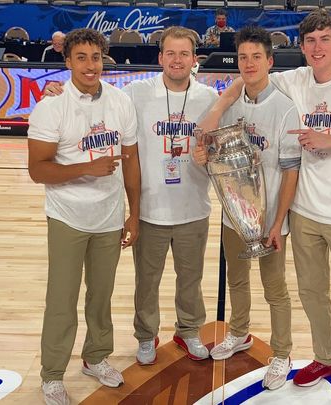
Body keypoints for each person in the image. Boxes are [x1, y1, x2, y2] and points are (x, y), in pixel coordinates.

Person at [199, 9, 331, 405]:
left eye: (325, 40)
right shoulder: (294, 80)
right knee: (312, 293)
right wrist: (216, 110)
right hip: (303, 211)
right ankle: (326, 358)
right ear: (301, 47)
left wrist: (330, 139)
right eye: (310, 41)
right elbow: (246, 77)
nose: (317, 48)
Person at [43, 26, 219, 365]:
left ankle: (189, 330)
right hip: (151, 209)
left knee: (191, 279)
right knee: (147, 281)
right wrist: (57, 91)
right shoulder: (135, 93)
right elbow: (94, 98)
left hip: (194, 207)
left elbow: (219, 144)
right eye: (171, 53)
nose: (177, 60)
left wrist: (210, 153)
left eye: (184, 54)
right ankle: (146, 335)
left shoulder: (209, 98)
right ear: (160, 58)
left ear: (194, 59)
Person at [28, 28, 141, 405]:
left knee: (101, 295)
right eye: (81, 58)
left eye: (96, 57)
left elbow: (131, 161)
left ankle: (95, 357)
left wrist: (134, 213)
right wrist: (85, 169)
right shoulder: (51, 107)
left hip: (109, 216)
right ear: (68, 62)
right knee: (62, 299)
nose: (90, 65)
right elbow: (38, 170)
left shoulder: (121, 102)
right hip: (67, 216)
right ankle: (52, 374)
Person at [192, 26, 301, 391]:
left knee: (275, 288)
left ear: (270, 61)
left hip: (270, 220)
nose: (249, 63)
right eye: (243, 57)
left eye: (256, 57)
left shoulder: (285, 108)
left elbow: (291, 172)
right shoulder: (230, 105)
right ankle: (239, 332)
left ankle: (282, 352)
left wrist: (279, 222)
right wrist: (204, 151)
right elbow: (206, 142)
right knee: (237, 280)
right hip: (233, 215)